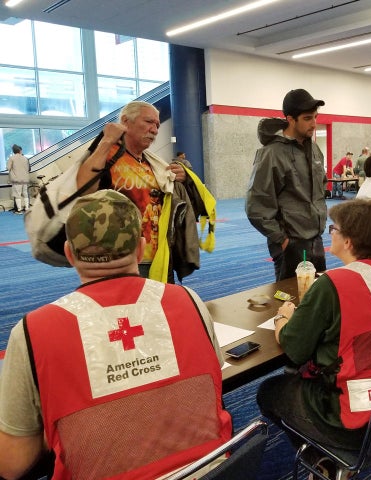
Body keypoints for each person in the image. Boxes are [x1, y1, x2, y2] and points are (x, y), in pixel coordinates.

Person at [0, 189, 232, 480]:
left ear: (70, 255)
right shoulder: (189, 300)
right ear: (141, 248)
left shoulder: (32, 331)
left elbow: (11, 463)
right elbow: (212, 387)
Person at [256, 199, 371, 455]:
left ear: (348, 242)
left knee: (269, 392)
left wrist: (283, 318)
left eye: (333, 229)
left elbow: (294, 348)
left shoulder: (332, 284)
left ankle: (322, 459)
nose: (330, 233)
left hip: (356, 420)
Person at [75, 100, 210, 283]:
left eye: (157, 125)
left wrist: (183, 179)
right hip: (120, 258)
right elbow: (84, 189)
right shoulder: (108, 155)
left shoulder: (153, 163)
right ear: (125, 121)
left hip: (158, 255)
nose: (155, 130)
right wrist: (107, 140)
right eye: (148, 122)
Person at [246, 88, 327, 281]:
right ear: (291, 119)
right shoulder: (271, 153)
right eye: (308, 118)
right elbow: (256, 206)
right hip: (291, 243)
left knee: (318, 297)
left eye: (315, 117)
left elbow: (320, 188)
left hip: (316, 239)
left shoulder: (314, 149)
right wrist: (282, 241)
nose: (314, 124)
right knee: (291, 302)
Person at [7, 144, 30, 214]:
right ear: (20, 150)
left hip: (16, 179)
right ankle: (27, 208)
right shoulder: (25, 158)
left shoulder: (12, 158)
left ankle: (19, 210)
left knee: (17, 195)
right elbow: (28, 168)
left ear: (13, 151)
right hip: (25, 179)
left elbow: (8, 168)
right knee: (25, 194)